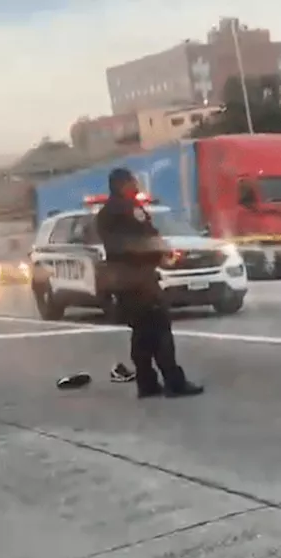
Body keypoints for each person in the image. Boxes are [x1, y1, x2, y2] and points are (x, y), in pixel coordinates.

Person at [94, 168, 203, 398]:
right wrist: (162, 253)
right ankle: (174, 382)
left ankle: (147, 383)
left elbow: (115, 246)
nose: (136, 185)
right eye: (132, 181)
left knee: (141, 334)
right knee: (161, 330)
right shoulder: (131, 209)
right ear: (123, 184)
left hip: (121, 282)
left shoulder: (104, 214)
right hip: (141, 280)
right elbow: (146, 237)